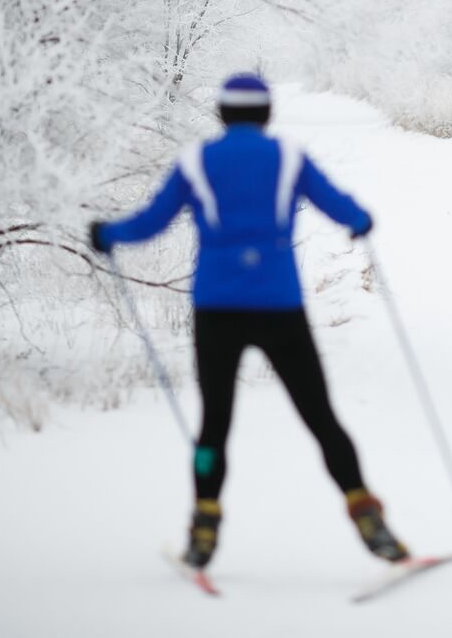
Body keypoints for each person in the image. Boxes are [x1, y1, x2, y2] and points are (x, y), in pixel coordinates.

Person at [88, 74, 408, 570]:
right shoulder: (288, 157)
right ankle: (366, 513)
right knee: (320, 418)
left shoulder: (196, 161)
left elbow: (151, 222)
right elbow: (338, 205)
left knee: (214, 423)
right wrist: (360, 220)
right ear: (266, 114)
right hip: (279, 305)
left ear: (221, 113)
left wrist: (108, 233)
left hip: (217, 308)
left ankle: (204, 525)